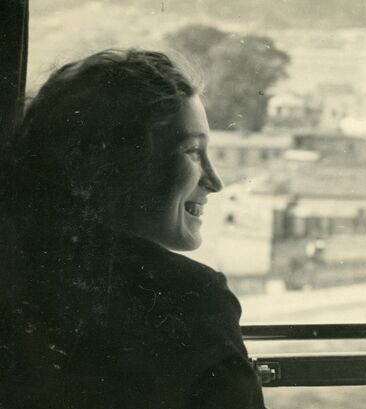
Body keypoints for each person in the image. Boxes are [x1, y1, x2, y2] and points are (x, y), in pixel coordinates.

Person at [0, 49, 265, 409]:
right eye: (192, 151)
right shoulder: (190, 297)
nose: (215, 182)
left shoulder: (20, 274)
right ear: (117, 165)